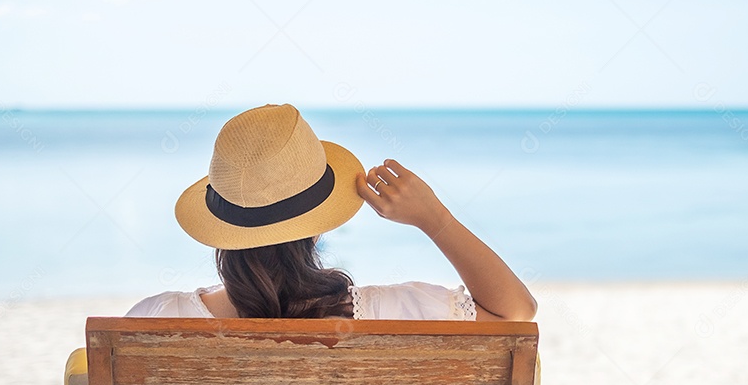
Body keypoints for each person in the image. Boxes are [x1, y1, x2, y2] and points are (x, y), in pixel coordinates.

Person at [126, 104, 537, 322]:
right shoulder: (395, 314)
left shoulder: (154, 319)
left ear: (223, 228)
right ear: (318, 228)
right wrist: (436, 220)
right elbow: (516, 311)